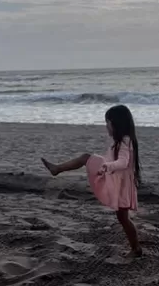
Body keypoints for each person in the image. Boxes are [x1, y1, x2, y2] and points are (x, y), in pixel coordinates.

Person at [41, 104, 143, 257]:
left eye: (107, 123)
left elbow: (123, 162)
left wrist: (105, 166)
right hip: (117, 179)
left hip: (119, 182)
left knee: (123, 218)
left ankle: (136, 249)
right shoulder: (123, 140)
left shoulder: (124, 141)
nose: (106, 127)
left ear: (116, 124)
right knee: (122, 218)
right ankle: (136, 249)